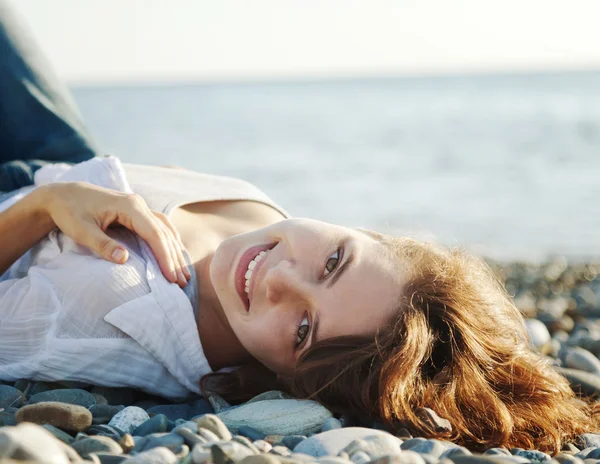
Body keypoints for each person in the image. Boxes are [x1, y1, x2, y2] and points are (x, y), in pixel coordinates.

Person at [0, 0, 598, 454]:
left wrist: (42, 205)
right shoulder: (265, 227)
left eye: (303, 328)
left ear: (282, 380)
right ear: (370, 232)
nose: (279, 278)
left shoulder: (114, 313)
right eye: (335, 260)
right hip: (67, 159)